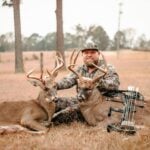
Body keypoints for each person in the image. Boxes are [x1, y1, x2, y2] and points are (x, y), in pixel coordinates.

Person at [52, 43, 120, 123]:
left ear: (98, 54)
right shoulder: (80, 69)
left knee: (64, 114)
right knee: (54, 102)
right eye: (86, 53)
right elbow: (68, 80)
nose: (89, 55)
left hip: (99, 104)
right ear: (82, 55)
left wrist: (95, 82)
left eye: (92, 52)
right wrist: (54, 85)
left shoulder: (107, 68)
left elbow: (114, 85)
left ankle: (50, 122)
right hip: (82, 99)